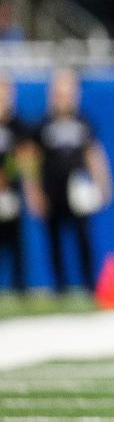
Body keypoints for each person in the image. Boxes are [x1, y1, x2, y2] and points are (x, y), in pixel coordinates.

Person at [30, 69, 114, 294]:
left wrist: (103, 184)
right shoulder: (42, 125)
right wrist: (35, 192)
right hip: (52, 192)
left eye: (68, 93)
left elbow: (93, 154)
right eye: (59, 93)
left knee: (83, 240)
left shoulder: (84, 122)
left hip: (78, 192)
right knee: (54, 242)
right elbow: (33, 160)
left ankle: (89, 286)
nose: (63, 98)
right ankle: (60, 288)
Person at [0, 75, 36, 295]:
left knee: (16, 245)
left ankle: (20, 289)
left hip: (12, 195)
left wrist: (8, 176)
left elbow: (26, 159)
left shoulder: (18, 125)